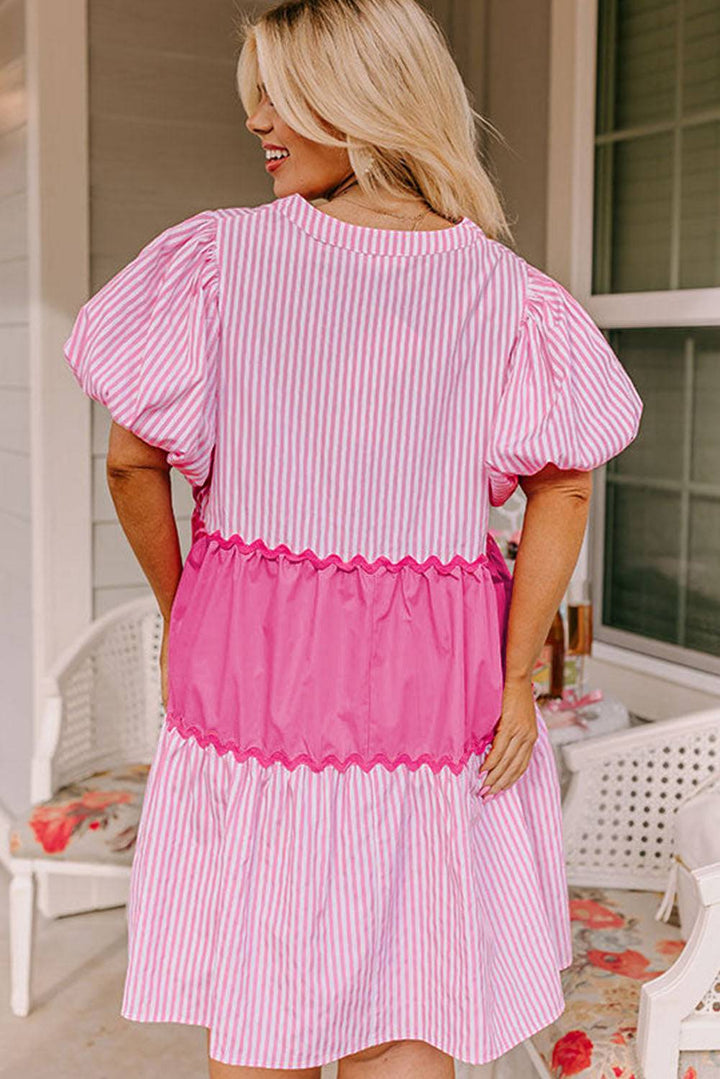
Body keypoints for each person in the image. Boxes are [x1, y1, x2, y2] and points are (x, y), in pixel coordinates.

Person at [62, 1, 644, 1076]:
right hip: (442, 674)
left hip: (255, 661)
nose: (259, 123)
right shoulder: (511, 296)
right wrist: (516, 671)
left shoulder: (216, 263)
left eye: (279, 98)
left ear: (360, 100)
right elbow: (565, 489)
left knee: (265, 1005)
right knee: (412, 982)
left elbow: (131, 464)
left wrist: (184, 604)